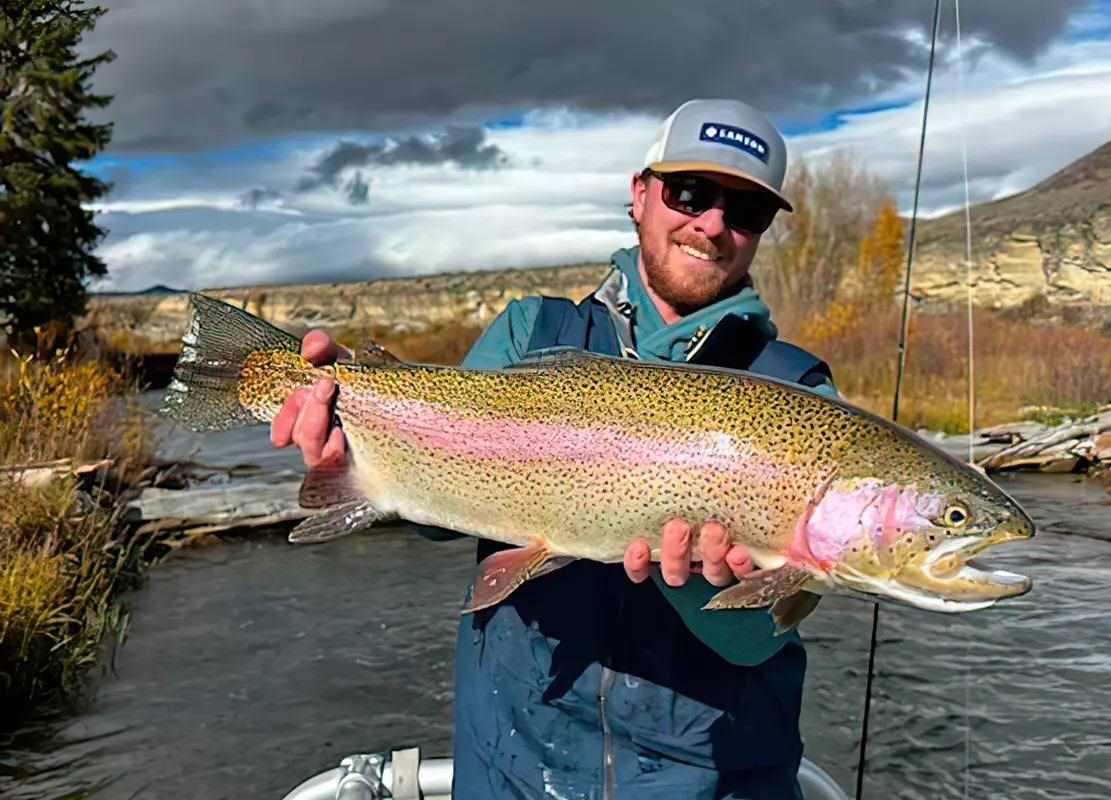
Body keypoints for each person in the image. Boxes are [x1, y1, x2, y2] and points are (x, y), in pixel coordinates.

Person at [270, 99, 837, 799]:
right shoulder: (531, 332)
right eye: (689, 192)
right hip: (511, 766)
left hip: (709, 784)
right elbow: (431, 514)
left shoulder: (799, 396)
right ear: (640, 194)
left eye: (745, 209)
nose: (712, 223)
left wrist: (694, 579)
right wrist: (353, 449)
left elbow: (759, 640)